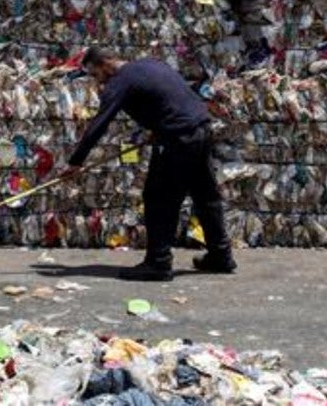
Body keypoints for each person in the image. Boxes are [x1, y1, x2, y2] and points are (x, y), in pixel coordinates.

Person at [63, 48, 236, 281]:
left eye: (96, 74)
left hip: (177, 137)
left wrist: (76, 161)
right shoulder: (151, 64)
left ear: (105, 64)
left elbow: (100, 122)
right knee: (205, 195)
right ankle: (221, 254)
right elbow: (172, 96)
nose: (97, 80)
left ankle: (158, 263)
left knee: (159, 198)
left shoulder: (120, 81)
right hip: (200, 129)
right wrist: (160, 125)